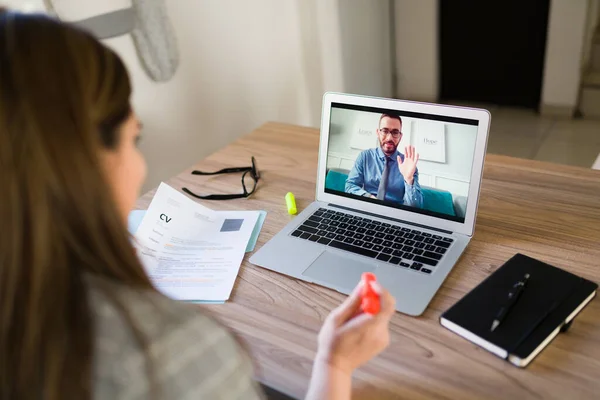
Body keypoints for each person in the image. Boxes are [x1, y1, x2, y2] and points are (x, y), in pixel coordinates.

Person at [0, 9, 396, 400]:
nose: (140, 167)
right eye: (133, 139)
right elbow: (352, 188)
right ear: (81, 163)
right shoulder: (171, 353)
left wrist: (410, 181)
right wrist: (334, 367)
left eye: (395, 132)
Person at [345, 114, 424, 208]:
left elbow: (416, 206)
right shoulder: (365, 156)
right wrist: (369, 198)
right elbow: (350, 186)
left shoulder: (408, 164)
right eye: (385, 131)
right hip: (367, 206)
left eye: (395, 132)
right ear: (378, 133)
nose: (389, 138)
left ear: (400, 136)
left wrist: (409, 179)